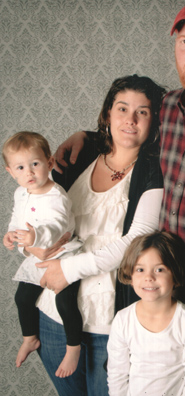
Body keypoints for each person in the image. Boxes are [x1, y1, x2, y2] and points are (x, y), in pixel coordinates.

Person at [50, 2, 185, 395]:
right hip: (166, 284)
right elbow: (127, 127)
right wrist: (88, 137)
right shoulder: (167, 108)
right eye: (184, 41)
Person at [29, 75, 166, 396]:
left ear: (155, 120)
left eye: (143, 112)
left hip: (109, 323)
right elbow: (40, 209)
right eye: (122, 108)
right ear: (107, 114)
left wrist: (68, 270)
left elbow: (138, 240)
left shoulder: (155, 169)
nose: (130, 120)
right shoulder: (79, 156)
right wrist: (34, 246)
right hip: (54, 315)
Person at [2, 131, 83, 378]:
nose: (29, 172)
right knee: (23, 298)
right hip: (38, 254)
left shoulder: (55, 194)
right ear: (10, 172)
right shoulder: (20, 193)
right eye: (21, 167)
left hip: (63, 252)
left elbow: (57, 224)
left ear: (48, 163)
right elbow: (18, 218)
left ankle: (73, 347)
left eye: (35, 164)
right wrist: (10, 234)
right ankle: (30, 338)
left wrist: (35, 237)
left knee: (64, 301)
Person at [107, 231, 185, 396]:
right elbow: (117, 375)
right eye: (140, 269)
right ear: (130, 275)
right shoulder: (123, 320)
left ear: (174, 274)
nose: (148, 277)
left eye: (159, 269)